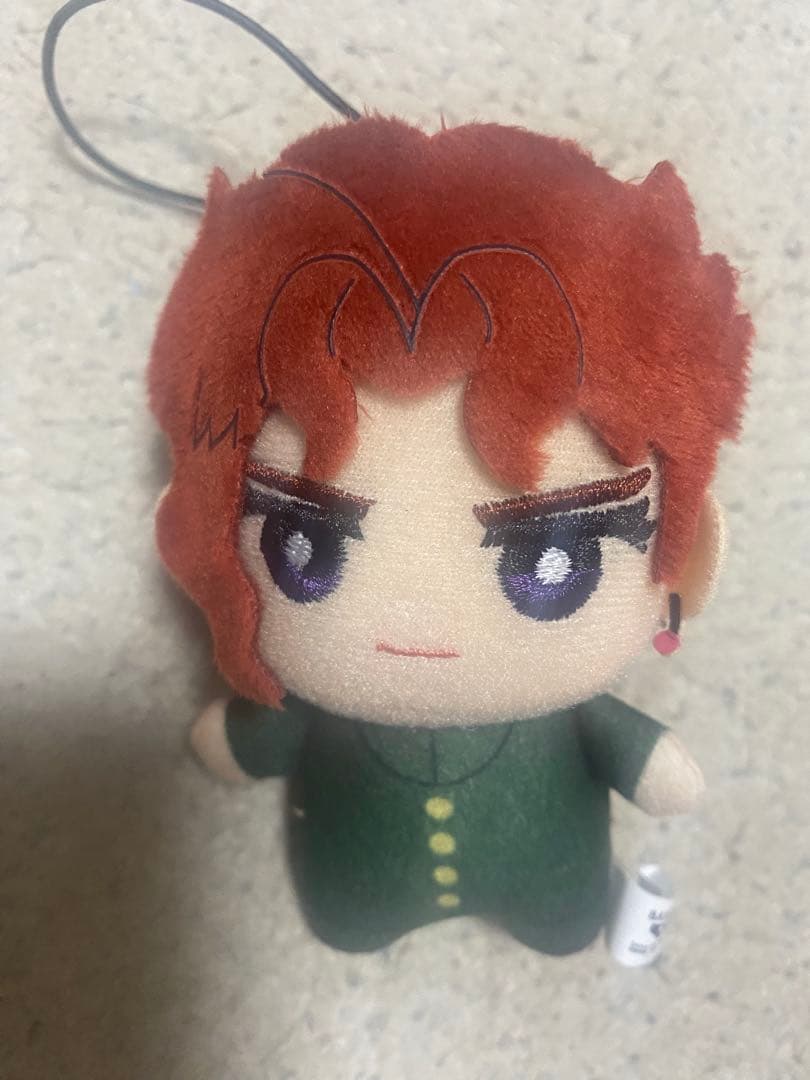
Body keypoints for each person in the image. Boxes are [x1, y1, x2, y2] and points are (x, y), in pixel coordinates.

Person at [149, 117, 751, 952]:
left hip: (552, 875)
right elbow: (258, 735)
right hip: (352, 878)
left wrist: (649, 763)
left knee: (566, 922)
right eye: (304, 548)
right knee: (351, 920)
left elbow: (648, 766)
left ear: (689, 560)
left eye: (554, 559)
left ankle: (562, 921)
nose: (417, 619)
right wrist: (239, 740)